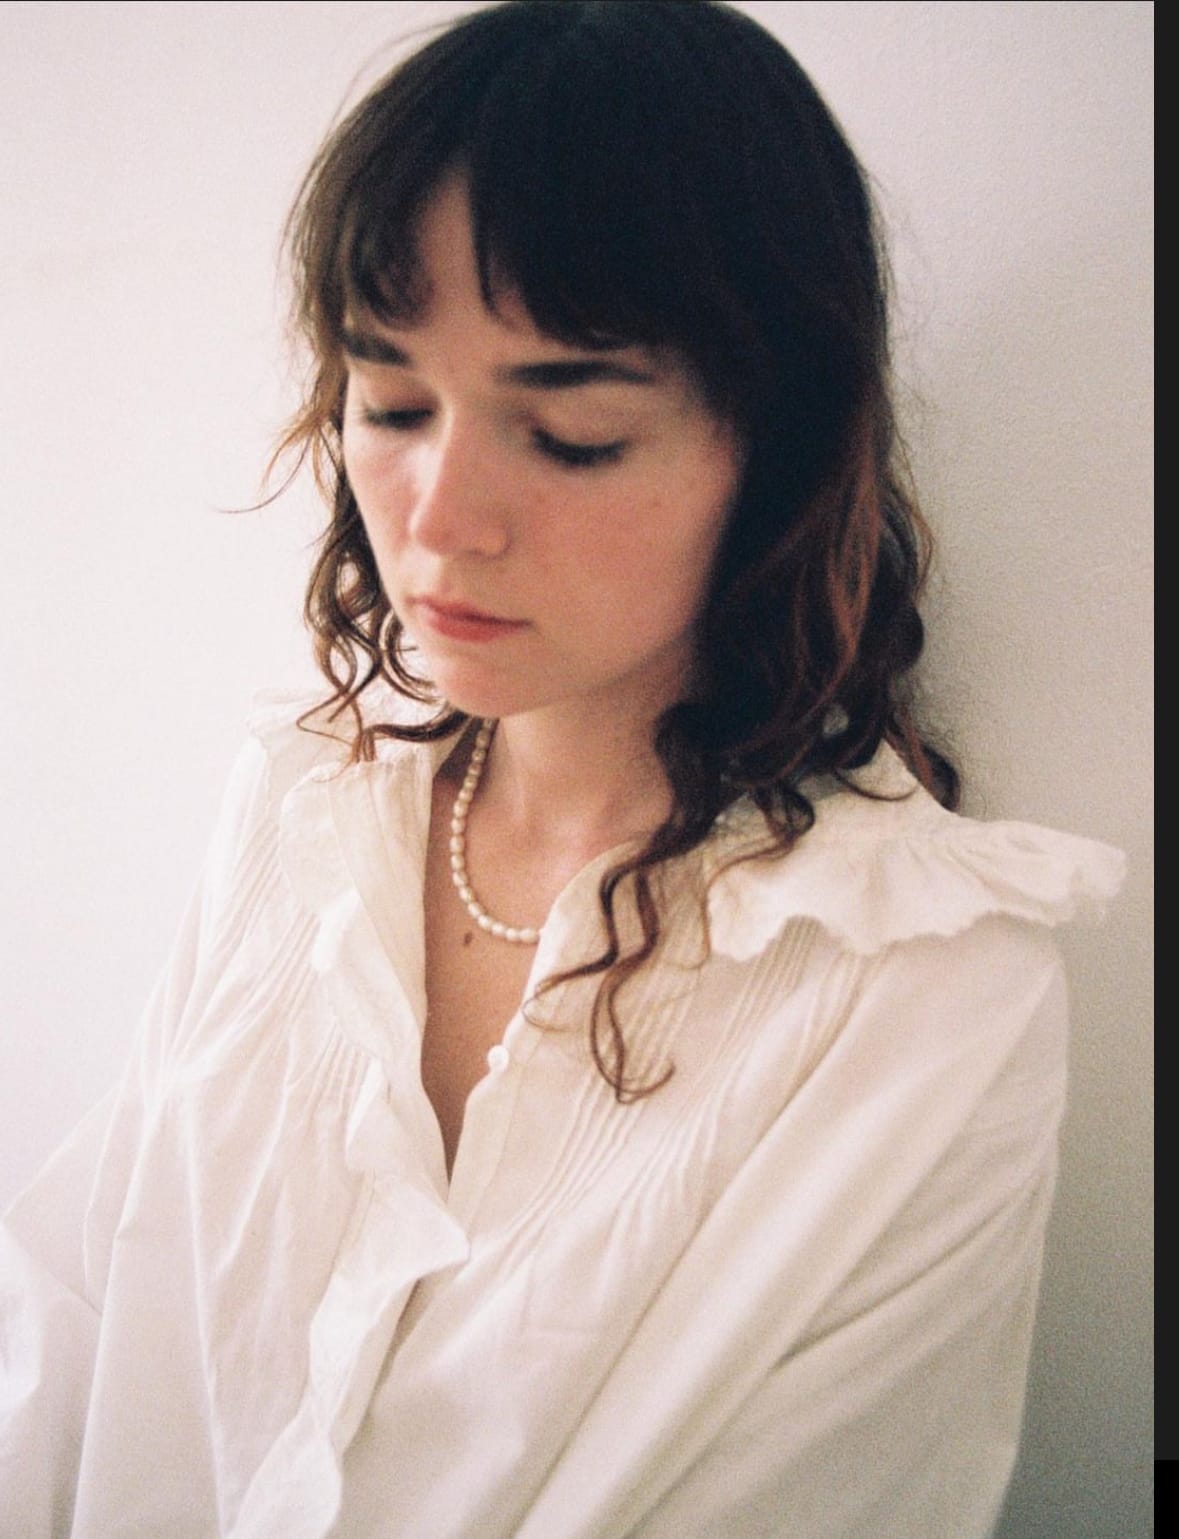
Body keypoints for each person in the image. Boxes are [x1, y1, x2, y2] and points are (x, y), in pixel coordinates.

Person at [0, 3, 1124, 1536]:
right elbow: (75, 1339)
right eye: (392, 403)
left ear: (777, 450)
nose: (439, 517)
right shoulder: (303, 802)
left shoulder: (919, 994)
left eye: (574, 433)